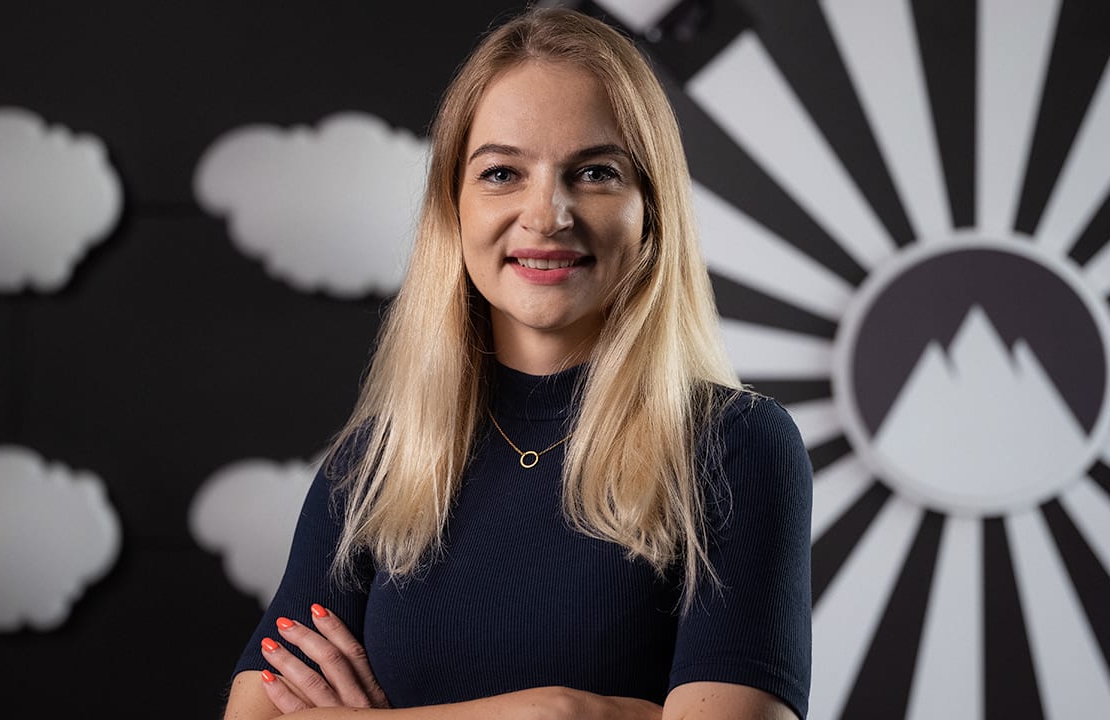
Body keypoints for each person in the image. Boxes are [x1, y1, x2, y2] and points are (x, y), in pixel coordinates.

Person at [222, 6, 812, 719]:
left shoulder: (737, 446)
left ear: (652, 211)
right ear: (454, 208)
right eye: (502, 172)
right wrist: (557, 711)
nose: (546, 213)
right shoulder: (376, 463)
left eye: (595, 172)